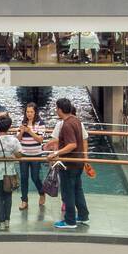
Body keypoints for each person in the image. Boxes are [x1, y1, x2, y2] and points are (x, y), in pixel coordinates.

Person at [49, 97, 89, 230]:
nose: (56, 111)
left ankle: (70, 221)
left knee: (68, 192)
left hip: (69, 164)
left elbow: (72, 144)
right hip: (78, 163)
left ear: (60, 110)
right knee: (78, 190)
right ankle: (83, 216)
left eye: (56, 108)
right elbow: (82, 142)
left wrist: (56, 153)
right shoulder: (76, 120)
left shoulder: (66, 124)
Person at [0, 113, 23, 231]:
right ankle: (7, 221)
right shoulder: (14, 140)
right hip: (10, 173)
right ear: (9, 126)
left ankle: (1, 223)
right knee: (8, 196)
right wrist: (11, 155)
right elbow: (19, 155)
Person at [17, 102, 49, 215]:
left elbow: (40, 139)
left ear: (35, 112)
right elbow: (18, 139)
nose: (29, 114)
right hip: (24, 155)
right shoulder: (23, 122)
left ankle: (41, 192)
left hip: (36, 155)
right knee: (24, 178)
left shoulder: (40, 123)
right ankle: (24, 200)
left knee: (35, 177)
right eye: (27, 112)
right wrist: (21, 131)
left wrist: (29, 131)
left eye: (31, 112)